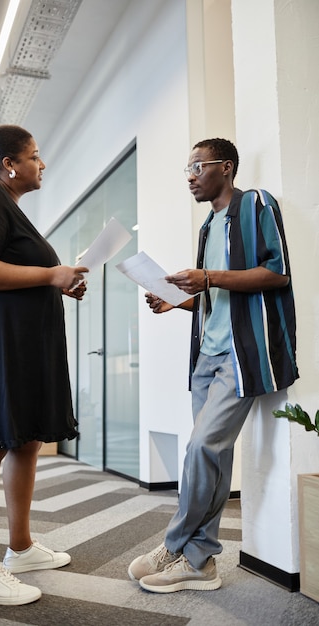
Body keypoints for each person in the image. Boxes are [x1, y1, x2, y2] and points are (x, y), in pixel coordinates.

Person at [128, 138, 298, 593]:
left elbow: (277, 272)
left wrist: (205, 278)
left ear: (225, 167)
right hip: (208, 353)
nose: (189, 176)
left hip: (243, 355)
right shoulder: (208, 226)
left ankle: (176, 545)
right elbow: (217, 296)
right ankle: (201, 562)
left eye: (196, 166)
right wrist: (181, 302)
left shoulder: (256, 204)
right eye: (187, 168)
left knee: (202, 447)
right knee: (213, 453)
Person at [0, 125, 88, 606]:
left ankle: (22, 549)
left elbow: (16, 272)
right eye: (34, 156)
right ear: (10, 164)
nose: (41, 163)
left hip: (24, 344)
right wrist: (52, 273)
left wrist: (57, 281)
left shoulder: (9, 208)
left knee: (26, 440)